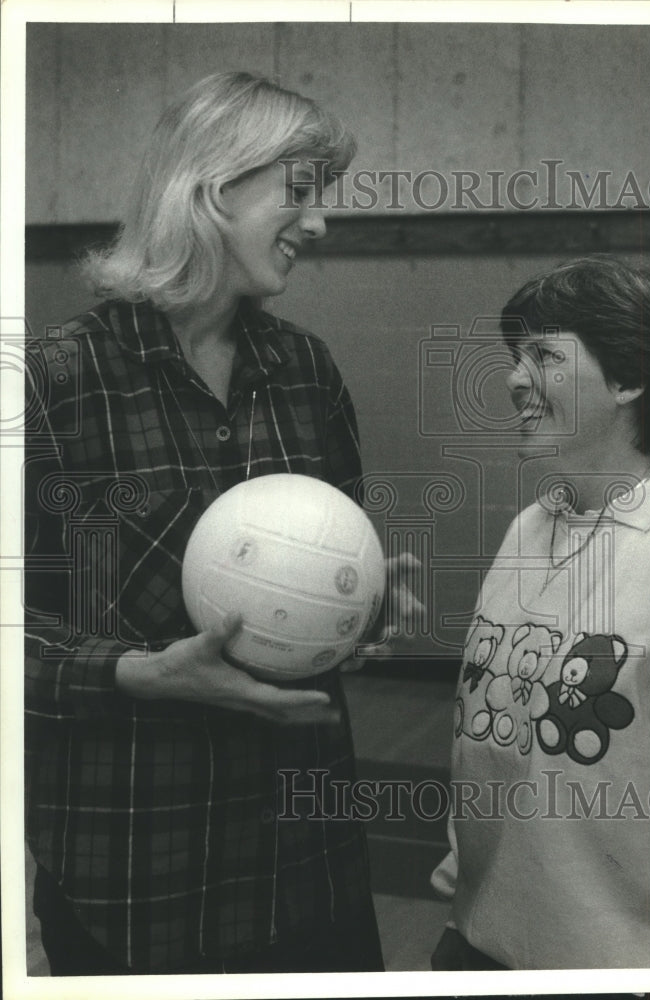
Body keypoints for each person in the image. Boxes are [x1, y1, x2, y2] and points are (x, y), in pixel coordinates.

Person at [25, 71, 408, 975]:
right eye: (301, 193)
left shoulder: (307, 372)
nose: (319, 224)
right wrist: (131, 673)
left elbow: (329, 598)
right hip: (135, 878)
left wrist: (364, 612)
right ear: (212, 188)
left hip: (307, 869)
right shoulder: (52, 381)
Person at [430, 256, 650, 969]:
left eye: (545, 355)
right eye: (515, 357)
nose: (516, 378)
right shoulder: (528, 528)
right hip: (475, 944)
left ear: (627, 379)